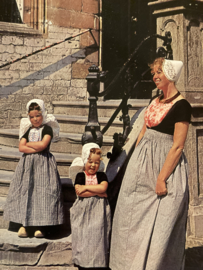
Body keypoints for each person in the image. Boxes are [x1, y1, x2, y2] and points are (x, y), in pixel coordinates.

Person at [109, 58, 192, 270]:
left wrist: (161, 178)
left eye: (159, 72)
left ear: (170, 75)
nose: (154, 76)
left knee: (163, 224)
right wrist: (133, 161)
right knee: (130, 216)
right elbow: (143, 133)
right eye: (153, 72)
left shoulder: (182, 105)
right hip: (142, 165)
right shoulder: (154, 100)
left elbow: (177, 146)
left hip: (166, 167)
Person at [4, 99, 64, 238]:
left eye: (37, 115)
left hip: (43, 165)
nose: (35, 119)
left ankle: (39, 226)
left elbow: (43, 145)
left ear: (43, 114)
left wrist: (30, 146)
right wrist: (34, 145)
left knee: (41, 193)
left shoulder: (47, 128)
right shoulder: (28, 130)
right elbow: (21, 147)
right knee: (26, 192)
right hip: (27, 165)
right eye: (31, 117)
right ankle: (24, 225)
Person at [70, 143, 111, 270]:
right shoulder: (81, 176)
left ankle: (97, 263)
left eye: (96, 162)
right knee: (83, 235)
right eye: (90, 161)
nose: (93, 165)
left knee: (97, 235)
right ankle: (82, 262)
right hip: (83, 210)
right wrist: (99, 192)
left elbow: (103, 187)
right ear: (84, 160)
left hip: (99, 210)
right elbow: (79, 192)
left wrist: (86, 187)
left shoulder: (101, 176)